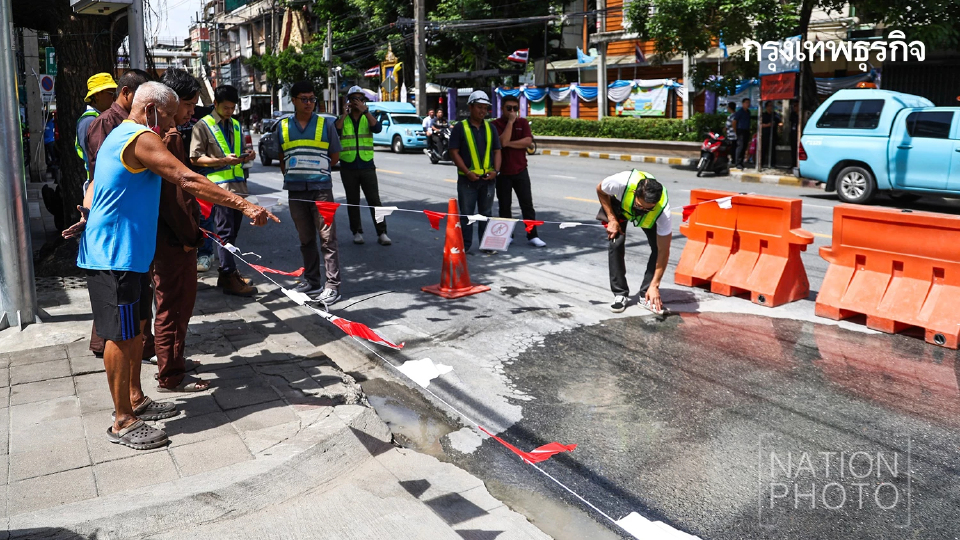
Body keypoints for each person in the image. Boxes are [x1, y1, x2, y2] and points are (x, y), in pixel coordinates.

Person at [63, 82, 278, 449]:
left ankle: (135, 399)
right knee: (120, 335)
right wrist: (244, 205)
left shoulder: (120, 135)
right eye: (168, 116)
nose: (171, 124)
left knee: (134, 330)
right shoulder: (140, 137)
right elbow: (187, 178)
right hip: (114, 255)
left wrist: (87, 213)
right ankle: (122, 421)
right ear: (150, 110)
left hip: (129, 253)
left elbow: (96, 182)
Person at [84, 68, 152, 359]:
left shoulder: (130, 123)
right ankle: (107, 347)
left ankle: (129, 348)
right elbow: (104, 175)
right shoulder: (106, 123)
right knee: (117, 307)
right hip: (113, 221)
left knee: (130, 302)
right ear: (126, 93)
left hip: (129, 222)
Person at [153, 69, 208, 392]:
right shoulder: (168, 136)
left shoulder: (153, 132)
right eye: (188, 105)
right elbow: (177, 195)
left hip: (160, 234)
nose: (191, 113)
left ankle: (170, 362)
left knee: (167, 303)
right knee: (175, 305)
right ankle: (171, 375)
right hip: (172, 239)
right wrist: (191, 237)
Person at [276, 80, 342, 304]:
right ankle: (312, 281)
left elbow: (334, 157)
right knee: (306, 239)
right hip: (295, 191)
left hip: (321, 189)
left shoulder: (326, 125)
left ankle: (332, 286)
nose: (309, 103)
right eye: (304, 99)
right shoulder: (283, 126)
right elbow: (282, 158)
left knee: (327, 239)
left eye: (312, 99)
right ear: (293, 101)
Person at [190, 85, 258, 296]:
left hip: (238, 187)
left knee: (232, 233)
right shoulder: (203, 125)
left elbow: (238, 153)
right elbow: (195, 158)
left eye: (232, 108)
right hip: (218, 189)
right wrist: (222, 160)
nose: (229, 111)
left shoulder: (236, 125)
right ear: (216, 104)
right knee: (225, 233)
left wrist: (247, 155)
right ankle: (229, 276)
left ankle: (227, 273)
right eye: (226, 107)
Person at [596, 170, 672, 314]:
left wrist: (655, 285)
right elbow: (600, 189)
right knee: (616, 243)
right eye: (640, 206)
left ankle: (646, 295)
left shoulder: (663, 212)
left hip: (648, 217)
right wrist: (612, 219)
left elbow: (664, 251)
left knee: (657, 248)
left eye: (648, 208)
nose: (643, 210)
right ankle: (620, 294)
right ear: (635, 193)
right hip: (620, 205)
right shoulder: (619, 183)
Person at [335, 85, 391, 246]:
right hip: (348, 166)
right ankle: (357, 232)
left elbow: (377, 128)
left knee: (375, 201)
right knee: (353, 201)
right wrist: (344, 114)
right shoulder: (342, 118)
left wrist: (366, 112)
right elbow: (336, 131)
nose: (357, 102)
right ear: (348, 101)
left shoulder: (368, 117)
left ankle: (382, 233)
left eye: (360, 99)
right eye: (354, 99)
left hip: (367, 165)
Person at [449, 90, 501, 253]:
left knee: (486, 213)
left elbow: (497, 151)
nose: (483, 111)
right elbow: (454, 152)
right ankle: (465, 246)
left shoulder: (491, 128)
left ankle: (486, 245)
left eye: (485, 108)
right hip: (467, 181)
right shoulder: (460, 127)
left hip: (487, 180)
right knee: (467, 214)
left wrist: (496, 171)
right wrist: (467, 172)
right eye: (479, 107)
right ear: (470, 107)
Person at [491, 95, 545, 248]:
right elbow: (502, 142)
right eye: (509, 108)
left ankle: (533, 235)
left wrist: (509, 143)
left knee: (527, 205)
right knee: (505, 206)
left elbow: (527, 142)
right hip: (503, 172)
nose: (512, 111)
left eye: (515, 108)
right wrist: (510, 123)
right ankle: (507, 235)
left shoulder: (523, 123)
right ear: (502, 108)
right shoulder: (495, 124)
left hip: (521, 170)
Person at [77, 73, 117, 191]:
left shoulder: (99, 118)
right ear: (97, 95)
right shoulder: (89, 120)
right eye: (111, 94)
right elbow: (94, 157)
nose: (114, 99)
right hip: (97, 185)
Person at [733, 98, 752, 169]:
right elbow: (734, 122)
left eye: (749, 103)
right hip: (740, 130)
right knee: (740, 146)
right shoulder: (740, 112)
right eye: (746, 103)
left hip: (746, 130)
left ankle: (741, 162)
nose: (748, 104)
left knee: (744, 146)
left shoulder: (748, 112)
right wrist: (736, 131)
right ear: (743, 103)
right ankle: (737, 163)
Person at [760, 101, 780, 168]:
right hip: (765, 134)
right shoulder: (763, 115)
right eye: (769, 106)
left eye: (772, 106)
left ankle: (772, 163)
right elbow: (760, 125)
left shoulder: (775, 115)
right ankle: (761, 163)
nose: (771, 107)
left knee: (772, 149)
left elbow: (779, 122)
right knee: (764, 149)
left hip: (773, 134)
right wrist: (768, 125)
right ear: (766, 107)